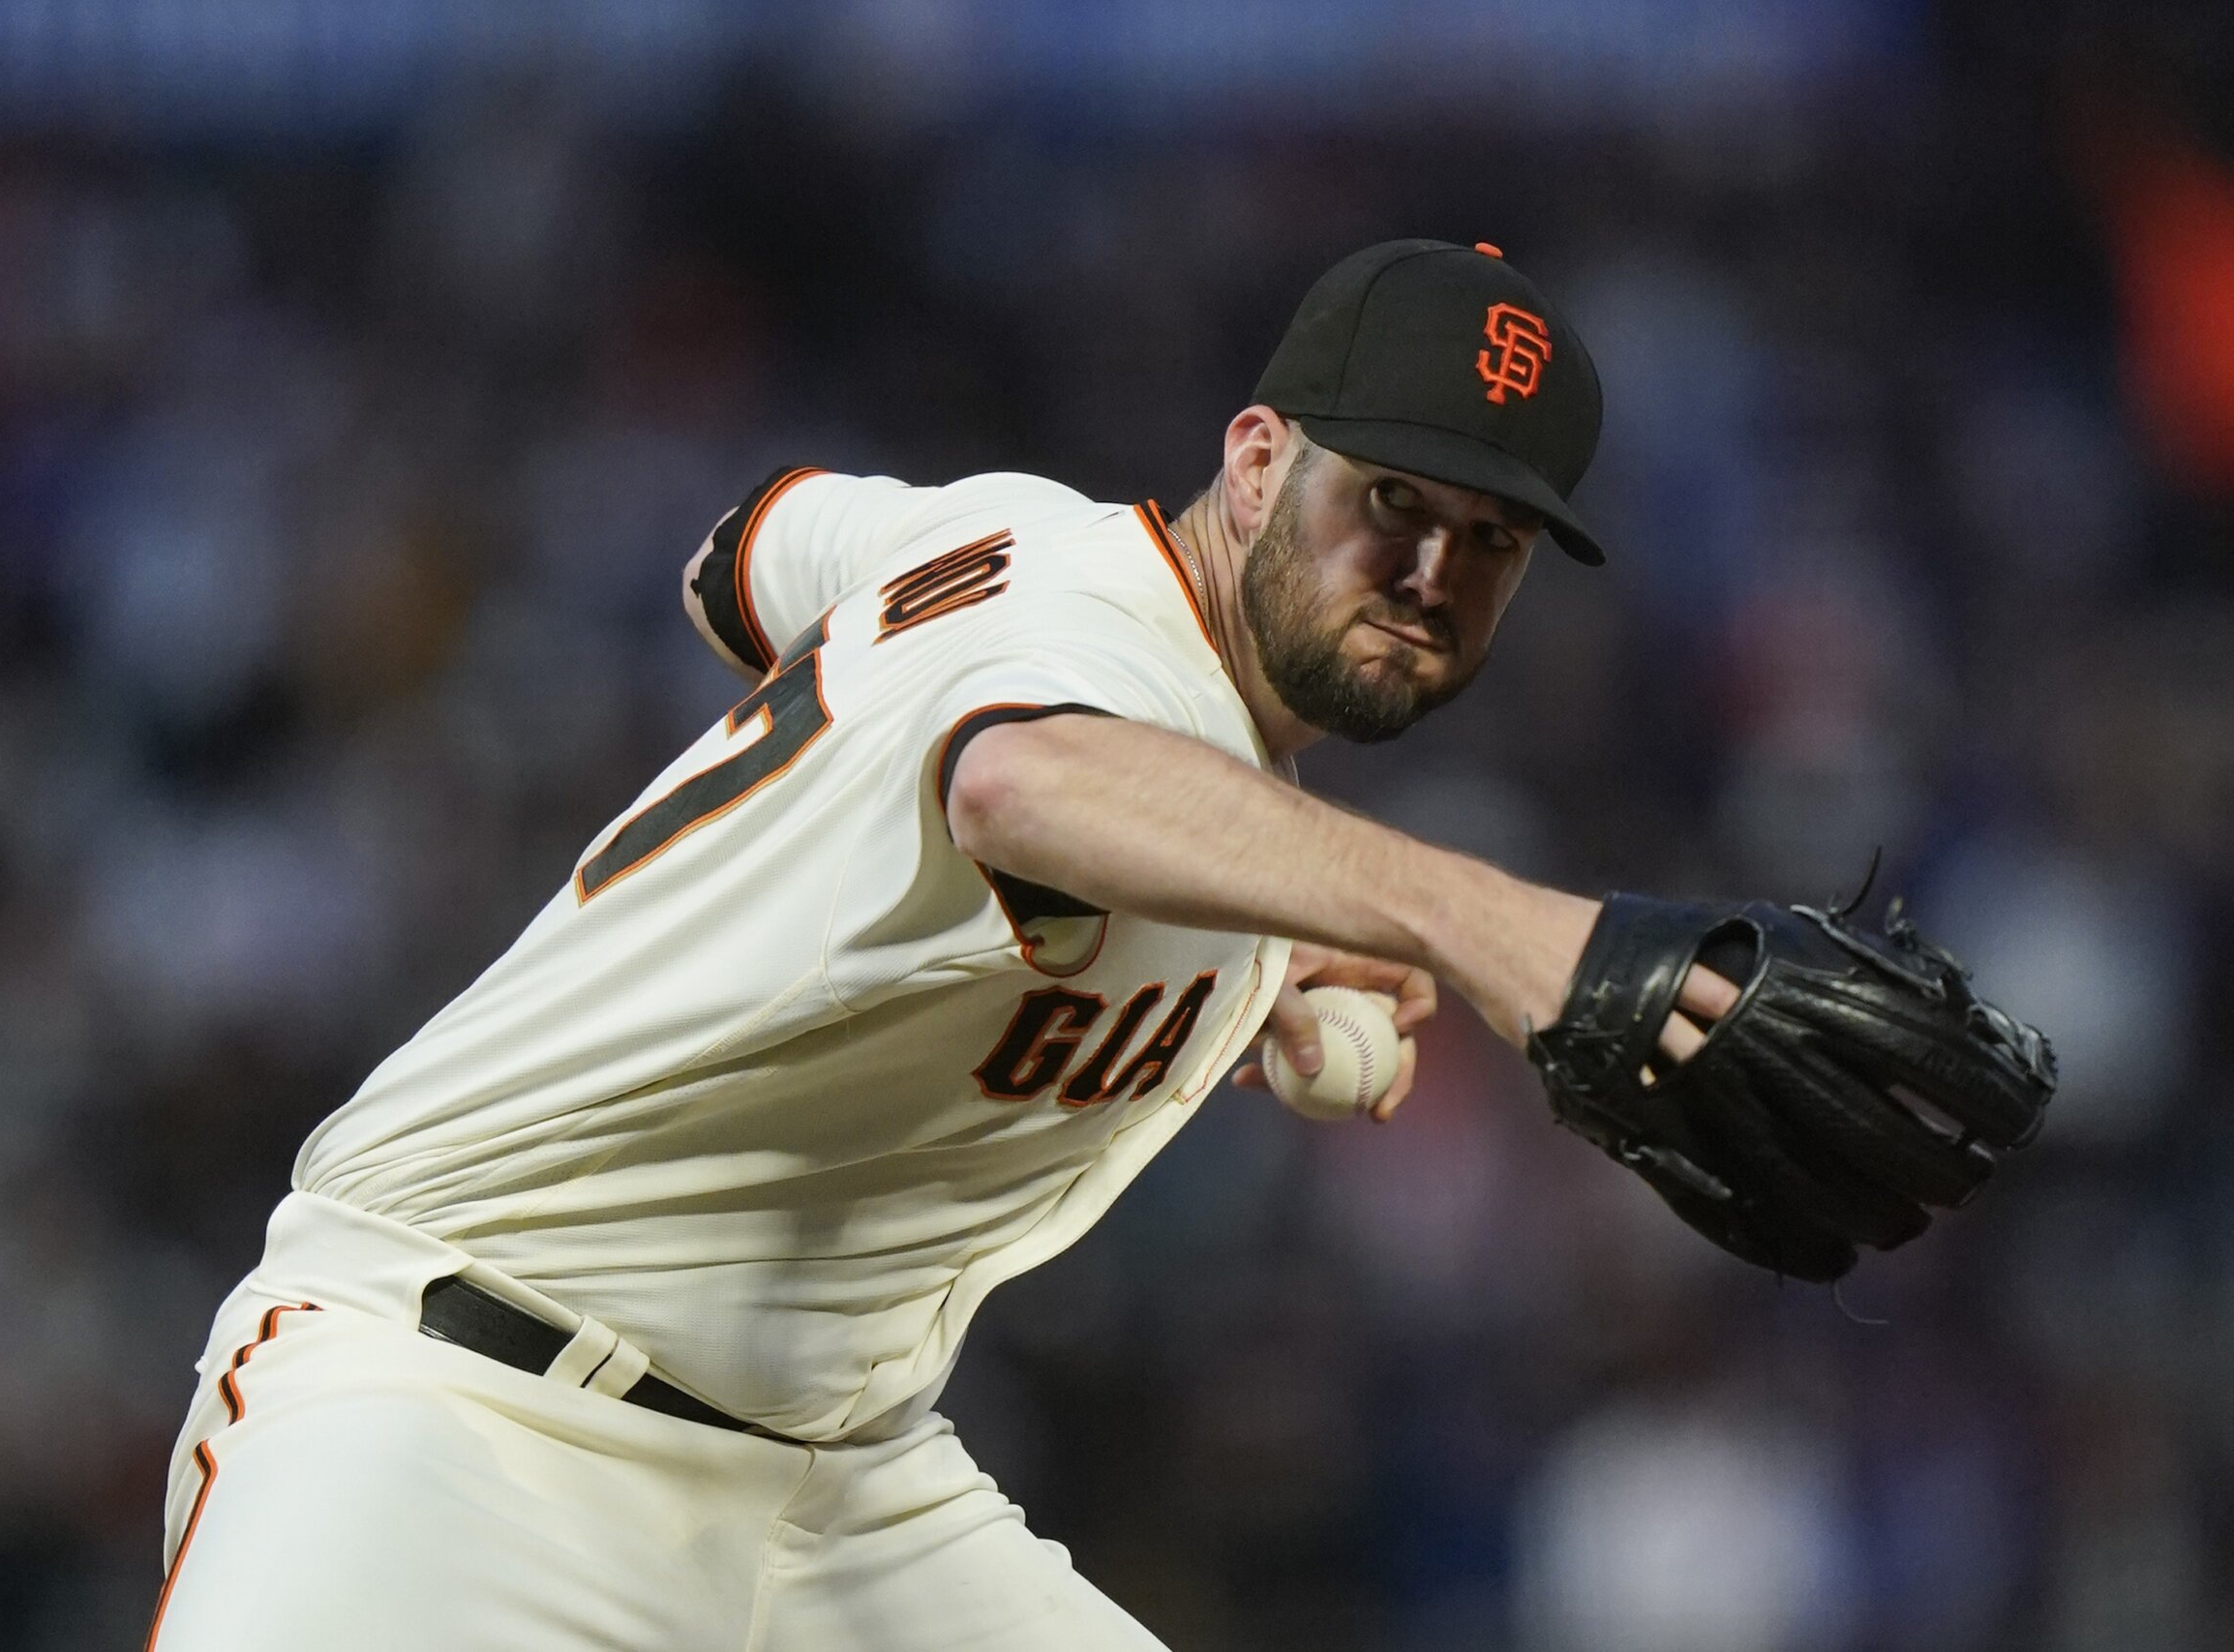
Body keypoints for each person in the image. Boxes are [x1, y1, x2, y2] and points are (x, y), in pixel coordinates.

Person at [144, 238, 1734, 1652]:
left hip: (837, 1496)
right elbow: (1017, 778)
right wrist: (1512, 931)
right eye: (1389, 500)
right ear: (1256, 464)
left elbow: (738, 557)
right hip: (463, 1412)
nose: (1434, 572)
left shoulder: (1012, 542)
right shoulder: (1111, 660)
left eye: (1492, 539)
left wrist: (1207, 938)